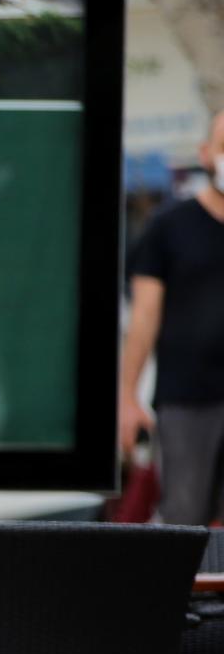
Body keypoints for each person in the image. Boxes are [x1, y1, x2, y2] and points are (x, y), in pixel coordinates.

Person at [121, 111, 224, 524]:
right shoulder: (169, 226)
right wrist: (126, 396)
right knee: (185, 520)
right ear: (205, 153)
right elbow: (144, 317)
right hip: (186, 402)